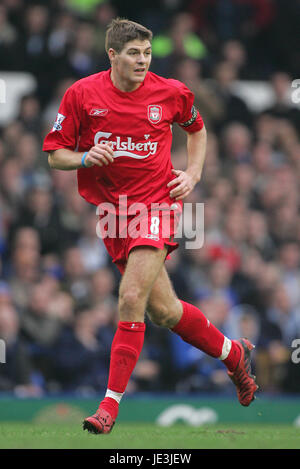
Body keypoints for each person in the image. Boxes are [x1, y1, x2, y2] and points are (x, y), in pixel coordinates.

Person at [42, 18, 258, 435]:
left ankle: (109, 405)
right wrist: (86, 157)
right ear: (112, 55)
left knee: (131, 298)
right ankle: (234, 354)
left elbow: (197, 129)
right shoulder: (82, 94)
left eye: (147, 53)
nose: (142, 61)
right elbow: (55, 155)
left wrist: (193, 174)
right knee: (164, 311)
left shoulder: (171, 92)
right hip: (113, 214)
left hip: (157, 206)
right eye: (134, 54)